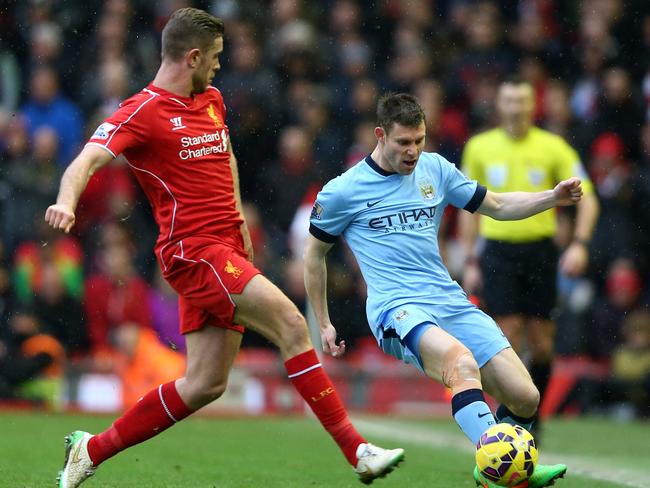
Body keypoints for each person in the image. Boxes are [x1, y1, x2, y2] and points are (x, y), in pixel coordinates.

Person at [45, 9, 403, 488]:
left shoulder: (210, 99)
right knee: (293, 325)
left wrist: (240, 223)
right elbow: (86, 160)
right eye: (213, 58)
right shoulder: (141, 111)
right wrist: (66, 203)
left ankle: (90, 451)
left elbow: (225, 155)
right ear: (191, 57)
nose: (218, 67)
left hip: (226, 247)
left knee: (205, 384)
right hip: (192, 251)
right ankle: (357, 451)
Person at [304, 93, 574, 488]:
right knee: (460, 365)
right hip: (395, 308)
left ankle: (493, 470)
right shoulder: (343, 191)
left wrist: (552, 198)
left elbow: (497, 205)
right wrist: (324, 322)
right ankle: (505, 466)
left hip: (447, 298)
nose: (413, 151)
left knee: (526, 396)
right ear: (380, 135)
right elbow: (314, 256)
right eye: (403, 142)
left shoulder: (435, 170)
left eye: (419, 140)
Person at [459, 76, 600, 439]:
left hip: (539, 250)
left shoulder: (552, 147)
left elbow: (588, 197)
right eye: (509, 101)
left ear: (532, 105)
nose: (516, 108)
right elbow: (467, 207)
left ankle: (531, 418)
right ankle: (510, 421)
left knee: (541, 341)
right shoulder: (479, 147)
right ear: (499, 105)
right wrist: (472, 259)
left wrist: (580, 243)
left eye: (522, 101)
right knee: (508, 335)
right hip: (498, 252)